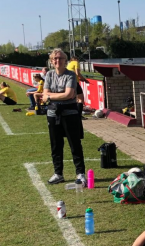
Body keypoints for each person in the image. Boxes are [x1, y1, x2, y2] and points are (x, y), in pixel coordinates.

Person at [43, 48, 86, 186]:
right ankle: (58, 173)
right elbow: (44, 96)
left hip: (70, 114)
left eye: (60, 58)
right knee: (56, 145)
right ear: (51, 61)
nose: (57, 61)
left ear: (65, 61)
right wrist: (52, 96)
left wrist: (50, 96)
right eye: (55, 58)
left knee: (75, 144)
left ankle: (80, 174)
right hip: (52, 114)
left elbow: (69, 94)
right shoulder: (49, 75)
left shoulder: (71, 75)